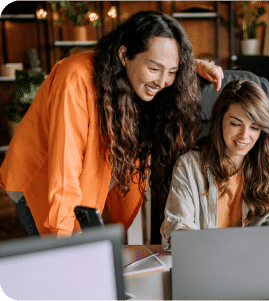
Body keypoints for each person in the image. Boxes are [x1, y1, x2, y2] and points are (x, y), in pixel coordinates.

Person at [0, 11, 224, 237]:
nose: (162, 81)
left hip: (86, 180)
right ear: (124, 54)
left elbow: (160, 62)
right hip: (41, 181)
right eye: (155, 69)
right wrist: (64, 241)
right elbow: (64, 166)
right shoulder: (75, 79)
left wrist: (191, 67)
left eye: (172, 71)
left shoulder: (137, 74)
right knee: (57, 258)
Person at [160, 79, 269, 250]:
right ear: (220, 121)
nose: (244, 136)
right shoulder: (189, 166)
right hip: (205, 263)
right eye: (235, 124)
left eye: (254, 127)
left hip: (255, 266)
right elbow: (177, 226)